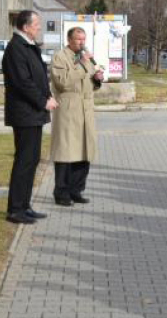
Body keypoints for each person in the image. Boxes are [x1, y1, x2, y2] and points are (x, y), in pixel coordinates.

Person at [3, 10, 57, 225]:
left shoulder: (28, 46)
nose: (39, 28)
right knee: (24, 161)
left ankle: (24, 205)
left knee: (32, 160)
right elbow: (23, 82)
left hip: (32, 113)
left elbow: (38, 78)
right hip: (24, 113)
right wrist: (43, 101)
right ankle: (15, 210)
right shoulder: (16, 48)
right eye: (36, 25)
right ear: (25, 27)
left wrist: (48, 95)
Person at [49, 27, 104, 207]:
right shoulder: (60, 57)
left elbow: (89, 84)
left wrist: (97, 79)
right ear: (69, 40)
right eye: (78, 39)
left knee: (84, 152)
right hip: (68, 110)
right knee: (66, 152)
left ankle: (77, 190)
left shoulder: (85, 58)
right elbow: (63, 82)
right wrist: (81, 64)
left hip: (85, 110)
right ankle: (61, 192)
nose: (82, 42)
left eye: (83, 39)